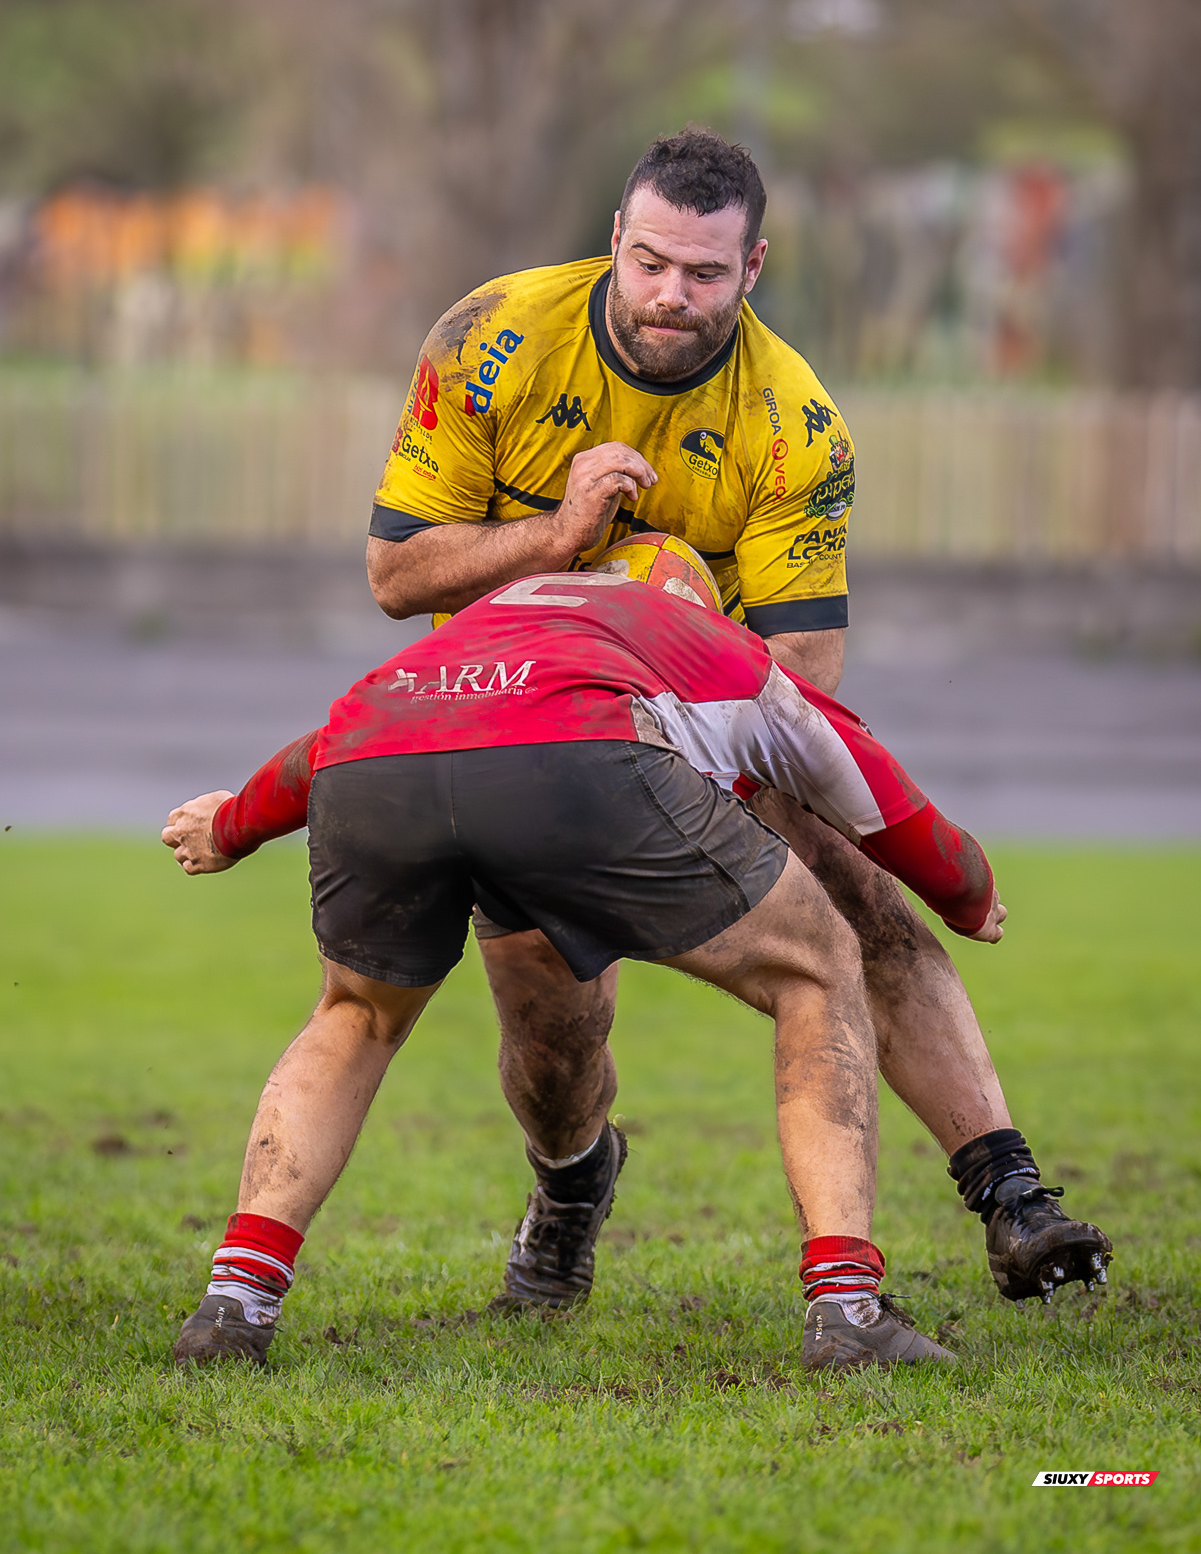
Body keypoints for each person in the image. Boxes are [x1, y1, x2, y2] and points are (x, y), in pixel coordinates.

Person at [360, 127, 1113, 1313]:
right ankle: (571, 1186)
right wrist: (557, 542)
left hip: (708, 730)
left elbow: (800, 670)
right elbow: (398, 577)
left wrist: (666, 701)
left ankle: (1011, 1195)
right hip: (518, 734)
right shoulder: (490, 338)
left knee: (861, 906)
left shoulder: (795, 423)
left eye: (704, 275)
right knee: (557, 1048)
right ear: (614, 239)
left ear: (752, 267)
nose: (671, 296)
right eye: (650, 262)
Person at [164, 539, 1028, 1374]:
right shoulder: (696, 631)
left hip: (370, 762)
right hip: (575, 756)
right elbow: (860, 777)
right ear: (686, 595)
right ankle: (845, 1308)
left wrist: (233, 826)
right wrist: (967, 891)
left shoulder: (488, 616)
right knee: (816, 964)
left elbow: (334, 741)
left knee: (356, 1013)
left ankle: (237, 1298)